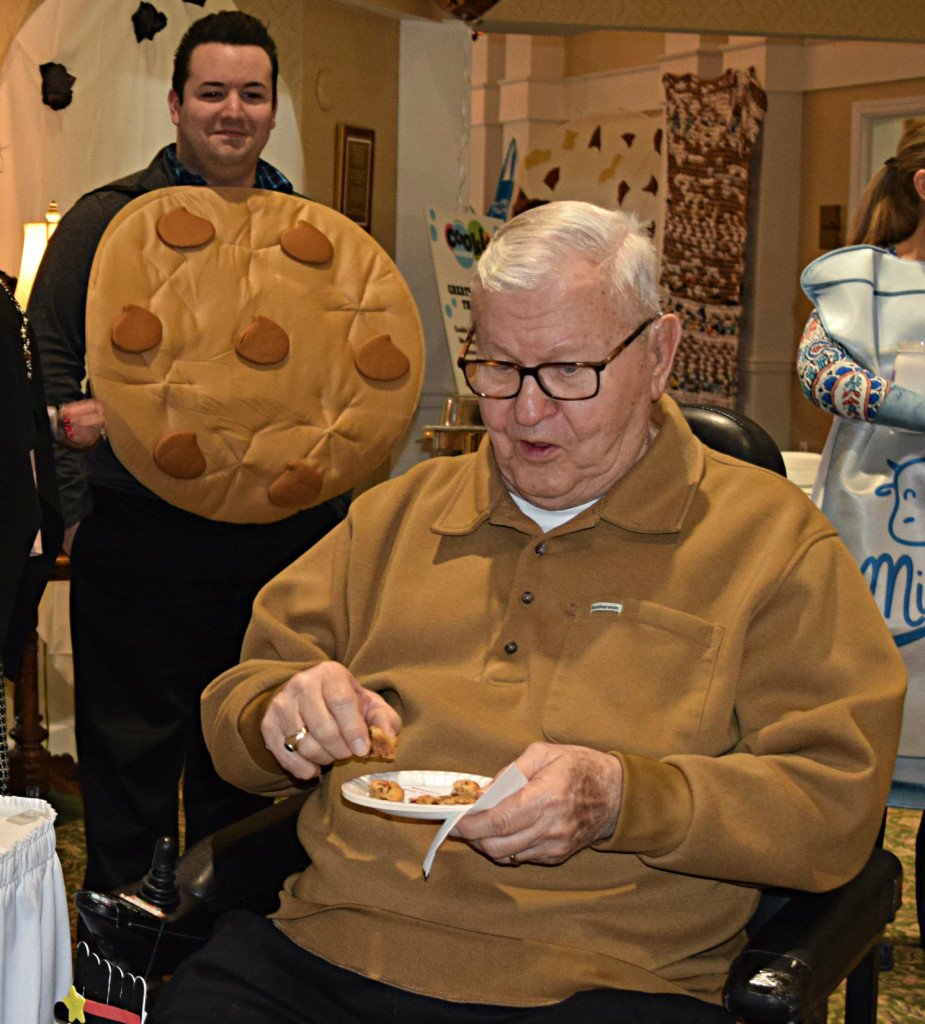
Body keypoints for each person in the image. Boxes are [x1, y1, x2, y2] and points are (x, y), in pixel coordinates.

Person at [144, 201, 906, 1024]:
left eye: (568, 371)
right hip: (328, 951)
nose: (526, 410)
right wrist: (279, 716)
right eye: (498, 368)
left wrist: (624, 799)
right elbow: (233, 717)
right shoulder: (399, 516)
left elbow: (834, 806)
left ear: (658, 355)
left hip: (604, 980)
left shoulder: (767, 543)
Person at [27, 10, 349, 892]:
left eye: (251, 93)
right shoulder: (107, 220)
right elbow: (50, 354)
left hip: (275, 538)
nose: (231, 111)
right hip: (137, 529)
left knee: (249, 749)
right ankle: (119, 942)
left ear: (273, 107)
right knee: (128, 756)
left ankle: (225, 946)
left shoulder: (313, 236)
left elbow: (341, 379)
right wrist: (77, 503)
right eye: (212, 92)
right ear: (175, 104)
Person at [797, 117, 925, 944]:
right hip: (878, 537)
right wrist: (907, 405)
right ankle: (837, 934)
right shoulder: (867, 283)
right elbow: (820, 370)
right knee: (862, 735)